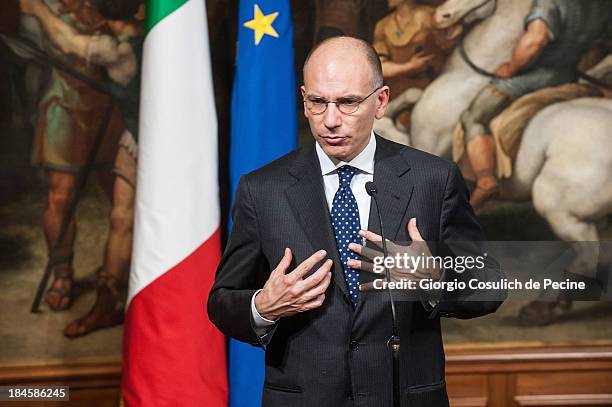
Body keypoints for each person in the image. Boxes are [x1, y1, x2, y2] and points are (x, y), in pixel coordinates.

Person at [208, 36, 503, 407]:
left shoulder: (433, 180)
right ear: (303, 99)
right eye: (317, 102)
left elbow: (490, 285)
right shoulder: (262, 189)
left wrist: (436, 278)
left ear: (380, 101)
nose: (331, 120)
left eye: (348, 102)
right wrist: (263, 307)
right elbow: (221, 301)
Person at [20, 0, 142, 334]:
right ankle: (79, 282)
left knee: (125, 216)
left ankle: (122, 292)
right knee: (94, 209)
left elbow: (71, 42)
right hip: (81, 115)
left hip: (135, 131)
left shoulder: (123, 43)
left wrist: (39, 11)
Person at [458, 0, 611, 209]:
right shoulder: (602, 7)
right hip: (567, 75)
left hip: (532, 78)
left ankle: (485, 180)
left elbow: (534, 41)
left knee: (473, 116)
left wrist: (511, 68)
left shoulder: (550, 2)